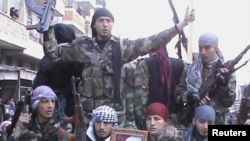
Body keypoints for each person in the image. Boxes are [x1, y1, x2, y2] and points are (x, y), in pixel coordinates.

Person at [43, 6, 195, 127]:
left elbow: (152, 41)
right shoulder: (82, 46)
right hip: (88, 115)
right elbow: (54, 54)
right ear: (94, 24)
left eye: (109, 21)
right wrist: (47, 28)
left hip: (114, 116)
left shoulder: (121, 47)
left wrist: (179, 26)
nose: (105, 24)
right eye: (101, 20)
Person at [174, 32, 236, 126]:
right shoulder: (191, 68)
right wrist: (189, 96)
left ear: (216, 48)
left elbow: (229, 102)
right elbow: (178, 92)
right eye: (200, 48)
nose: (203, 52)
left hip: (216, 122)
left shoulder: (226, 70)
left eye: (207, 48)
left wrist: (223, 87)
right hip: (193, 122)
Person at [32, 23, 83, 117]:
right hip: (76, 106)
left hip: (52, 105)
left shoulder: (49, 58)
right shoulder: (76, 56)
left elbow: (38, 84)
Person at [134, 47, 187, 129]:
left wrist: (141, 121)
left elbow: (140, 96)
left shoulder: (145, 64)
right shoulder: (181, 64)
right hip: (175, 119)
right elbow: (184, 91)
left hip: (152, 118)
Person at [7, 85, 75, 141]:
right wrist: (18, 129)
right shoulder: (27, 123)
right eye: (45, 101)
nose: (50, 106)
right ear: (36, 104)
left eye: (53, 101)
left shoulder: (62, 123)